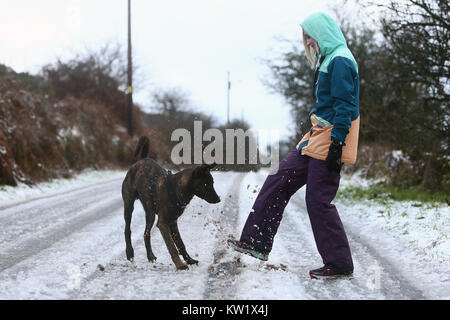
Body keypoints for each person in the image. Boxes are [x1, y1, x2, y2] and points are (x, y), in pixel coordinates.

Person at [227, 12, 360, 280]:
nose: (308, 41)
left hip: (333, 135)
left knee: (318, 199)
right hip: (317, 133)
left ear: (322, 32)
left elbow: (345, 105)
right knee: (279, 178)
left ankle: (339, 263)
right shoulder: (328, 58)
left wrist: (337, 144)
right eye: (306, 37)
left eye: (310, 35)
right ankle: (256, 241)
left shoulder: (341, 60)